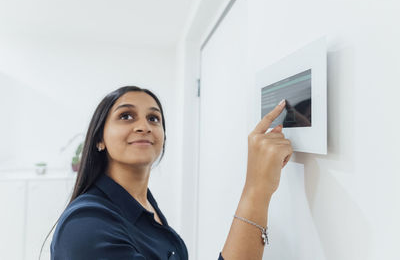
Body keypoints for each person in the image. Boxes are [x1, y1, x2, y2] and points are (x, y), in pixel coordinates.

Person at [44, 86, 292, 260]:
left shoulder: (143, 203)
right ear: (100, 140)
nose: (143, 126)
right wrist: (256, 188)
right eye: (126, 116)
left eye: (154, 118)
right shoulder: (87, 226)